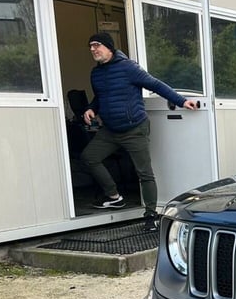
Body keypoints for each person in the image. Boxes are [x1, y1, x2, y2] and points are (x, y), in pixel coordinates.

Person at [80, 32, 199, 232]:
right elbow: (100, 97)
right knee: (89, 157)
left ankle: (151, 216)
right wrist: (92, 108)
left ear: (108, 47)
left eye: (96, 45)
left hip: (134, 128)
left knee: (144, 173)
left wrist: (181, 100)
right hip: (110, 130)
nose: (93, 49)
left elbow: (156, 84)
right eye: (90, 46)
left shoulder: (128, 68)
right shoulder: (96, 73)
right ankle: (114, 197)